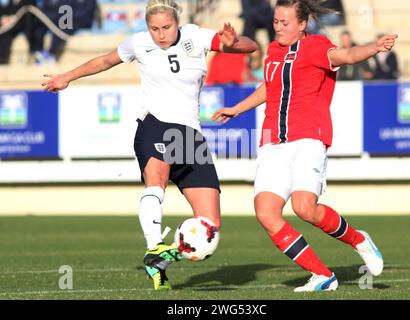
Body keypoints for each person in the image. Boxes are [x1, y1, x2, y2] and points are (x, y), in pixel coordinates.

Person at [41, 0, 258, 290]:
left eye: (166, 27)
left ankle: (160, 261)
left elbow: (250, 47)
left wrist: (233, 43)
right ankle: (154, 244)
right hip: (154, 124)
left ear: (177, 22)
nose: (160, 34)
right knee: (156, 181)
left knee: (210, 227)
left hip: (190, 135)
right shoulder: (139, 43)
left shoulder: (197, 36)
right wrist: (66, 76)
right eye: (154, 28)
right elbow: (105, 61)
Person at [213, 0, 397, 292]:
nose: (278, 27)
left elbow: (346, 55)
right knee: (266, 213)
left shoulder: (315, 46)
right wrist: (238, 108)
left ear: (302, 25)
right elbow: (271, 87)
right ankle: (323, 275)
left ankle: (358, 239)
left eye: (285, 23)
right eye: (275, 21)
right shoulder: (273, 51)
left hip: (308, 137)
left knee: (305, 208)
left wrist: (374, 47)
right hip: (273, 140)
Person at [33, 0, 98, 63]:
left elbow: (86, 12)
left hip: (80, 22)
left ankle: (52, 54)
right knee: (38, 28)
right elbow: (46, 11)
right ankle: (38, 51)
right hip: (57, 19)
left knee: (62, 28)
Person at [0, 0, 37, 64]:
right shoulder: (11, 2)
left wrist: (15, 19)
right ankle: (2, 58)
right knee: (4, 35)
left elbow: (30, 18)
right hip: (10, 28)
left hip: (23, 28)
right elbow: (5, 11)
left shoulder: (29, 1)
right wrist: (4, 18)